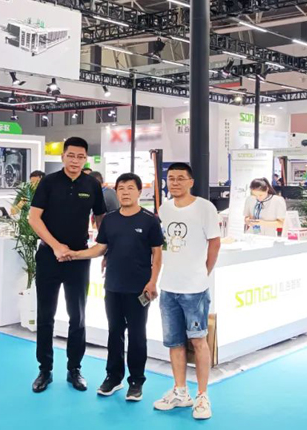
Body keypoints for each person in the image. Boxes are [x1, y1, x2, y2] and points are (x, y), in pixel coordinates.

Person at [69, 172, 163, 401]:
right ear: (116, 192)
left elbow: (157, 254)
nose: (125, 192)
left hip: (139, 289)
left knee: (138, 336)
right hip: (113, 286)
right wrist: (75, 254)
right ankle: (113, 377)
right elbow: (100, 248)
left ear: (139, 192)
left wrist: (153, 282)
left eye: (130, 188)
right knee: (114, 333)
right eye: (121, 188)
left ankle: (136, 381)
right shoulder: (110, 219)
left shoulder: (150, 220)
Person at [28, 138, 106, 393]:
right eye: (71, 155)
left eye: (80, 157)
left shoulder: (92, 184)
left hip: (78, 259)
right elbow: (34, 218)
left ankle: (75, 368)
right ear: (63, 156)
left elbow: (101, 219)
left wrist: (105, 247)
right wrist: (56, 246)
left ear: (86, 159)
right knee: (45, 315)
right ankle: (45, 369)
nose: (75, 161)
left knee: (78, 316)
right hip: (49, 256)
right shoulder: (49, 182)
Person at [153, 162, 221, 421]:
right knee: (175, 342)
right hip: (168, 287)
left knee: (198, 340)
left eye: (181, 178)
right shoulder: (165, 208)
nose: (175, 182)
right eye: (171, 178)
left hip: (194, 289)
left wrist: (203, 272)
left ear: (191, 181)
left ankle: (202, 395)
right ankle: (180, 391)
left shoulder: (205, 207)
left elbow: (214, 243)